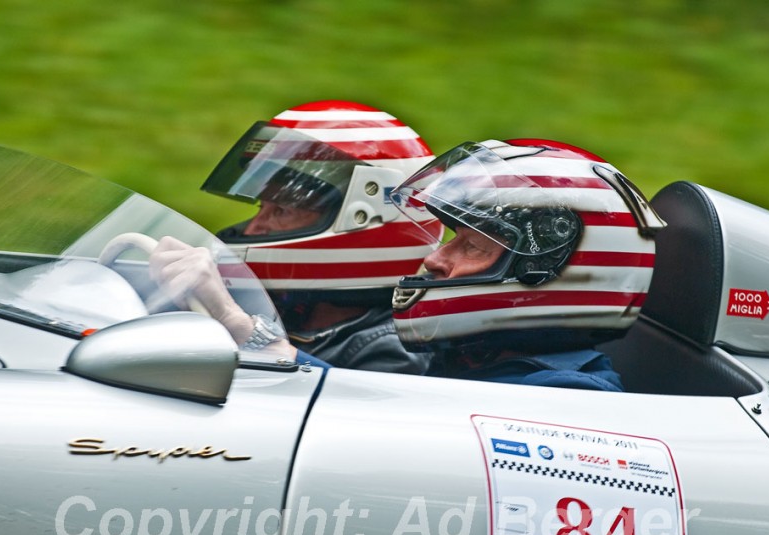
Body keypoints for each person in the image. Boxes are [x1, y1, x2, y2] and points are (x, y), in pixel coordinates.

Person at [172, 100, 444, 373]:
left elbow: (341, 404)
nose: (253, 229)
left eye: (282, 210)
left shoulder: (395, 350)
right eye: (261, 207)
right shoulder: (286, 305)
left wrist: (236, 323)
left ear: (363, 221)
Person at [387, 138, 667, 391]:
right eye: (454, 239)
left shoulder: (564, 398)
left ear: (540, 270)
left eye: (473, 247)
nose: (434, 259)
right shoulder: (471, 359)